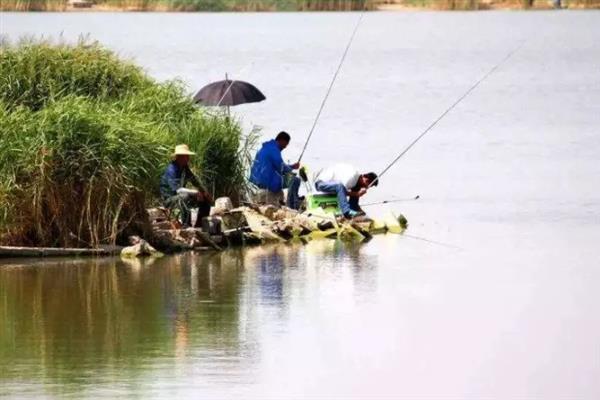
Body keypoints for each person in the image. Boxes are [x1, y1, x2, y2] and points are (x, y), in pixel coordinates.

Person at [160, 144, 213, 228]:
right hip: (169, 199)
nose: (188, 158)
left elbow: (194, 180)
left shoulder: (184, 168)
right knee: (185, 196)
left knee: (205, 199)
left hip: (180, 195)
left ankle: (199, 225)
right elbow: (177, 190)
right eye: (186, 156)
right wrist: (195, 192)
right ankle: (185, 225)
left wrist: (204, 192)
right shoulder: (171, 169)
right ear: (179, 157)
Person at [249, 131, 302, 209]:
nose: (285, 147)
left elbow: (277, 165)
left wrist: (292, 166)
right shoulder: (274, 150)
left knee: (290, 177)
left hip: (258, 181)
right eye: (286, 144)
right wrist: (291, 169)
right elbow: (281, 168)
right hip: (267, 182)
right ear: (282, 140)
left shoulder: (266, 147)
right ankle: (292, 206)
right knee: (295, 180)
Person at [314, 163, 378, 219]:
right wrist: (357, 194)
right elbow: (341, 192)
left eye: (369, 186)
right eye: (367, 183)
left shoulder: (356, 182)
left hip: (334, 186)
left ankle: (354, 211)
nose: (366, 187)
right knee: (339, 186)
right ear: (364, 177)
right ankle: (347, 212)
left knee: (356, 189)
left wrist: (363, 214)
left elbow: (344, 192)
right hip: (321, 184)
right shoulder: (352, 177)